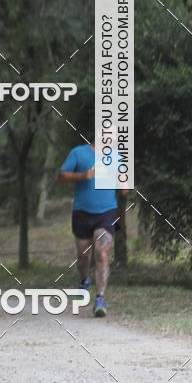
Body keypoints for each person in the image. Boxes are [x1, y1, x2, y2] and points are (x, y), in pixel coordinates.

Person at [58, 136, 127, 317]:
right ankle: (84, 280)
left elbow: (124, 185)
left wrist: (124, 183)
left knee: (102, 253)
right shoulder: (79, 153)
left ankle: (100, 299)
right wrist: (82, 175)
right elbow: (62, 175)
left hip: (106, 212)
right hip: (82, 212)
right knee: (83, 257)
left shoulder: (117, 156)